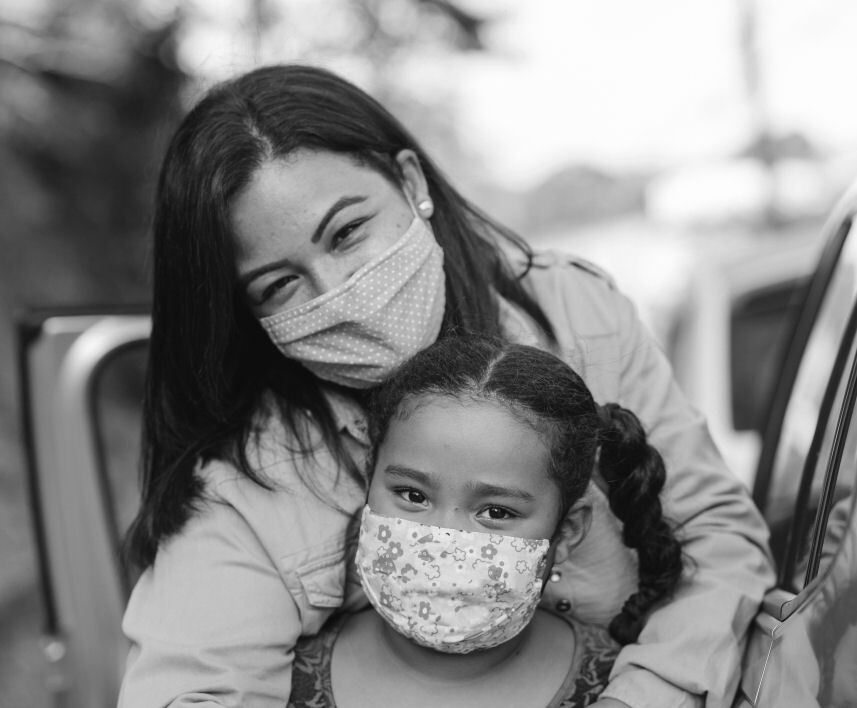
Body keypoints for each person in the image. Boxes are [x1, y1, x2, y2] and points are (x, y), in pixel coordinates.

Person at [118, 63, 775, 708]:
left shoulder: (577, 316)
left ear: (409, 182)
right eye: (280, 285)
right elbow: (194, 686)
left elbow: (714, 538)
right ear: (248, 314)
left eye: (347, 232)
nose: (337, 293)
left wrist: (647, 695)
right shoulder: (250, 482)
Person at [287, 335, 684, 708]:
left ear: (566, 532)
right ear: (370, 480)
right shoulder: (281, 679)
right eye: (413, 495)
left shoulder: (619, 686)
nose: (442, 540)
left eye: (496, 512)